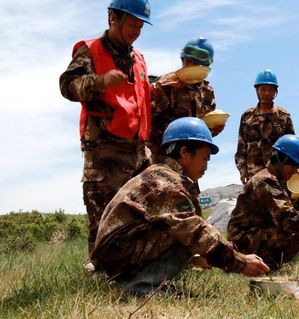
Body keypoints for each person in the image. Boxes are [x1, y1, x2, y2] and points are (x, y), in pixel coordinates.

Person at [92, 117, 269, 296]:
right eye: (204, 158)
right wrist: (241, 262)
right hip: (120, 255)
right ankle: (144, 287)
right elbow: (194, 231)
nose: (207, 166)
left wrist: (201, 256)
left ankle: (142, 282)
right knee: (188, 234)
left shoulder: (160, 174)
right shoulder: (167, 184)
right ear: (185, 152)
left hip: (118, 254)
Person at [59, 0, 153, 259]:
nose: (137, 30)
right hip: (105, 151)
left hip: (138, 150)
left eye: (140, 25)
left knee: (141, 215)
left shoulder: (139, 59)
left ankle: (135, 271)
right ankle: (100, 276)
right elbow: (67, 85)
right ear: (114, 18)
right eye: (133, 23)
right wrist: (99, 82)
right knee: (103, 218)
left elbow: (143, 97)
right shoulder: (91, 50)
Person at [228, 134, 299, 270]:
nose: (295, 171)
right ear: (281, 158)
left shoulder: (276, 181)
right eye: (293, 166)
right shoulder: (264, 181)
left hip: (253, 233)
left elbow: (291, 212)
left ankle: (269, 264)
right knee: (295, 230)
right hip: (242, 240)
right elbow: (286, 217)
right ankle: (258, 264)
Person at [150, 37, 222, 163]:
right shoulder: (166, 84)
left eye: (198, 64)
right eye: (188, 62)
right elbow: (149, 120)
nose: (191, 66)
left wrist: (213, 130)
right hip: (163, 156)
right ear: (182, 60)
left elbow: (202, 130)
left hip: (192, 160)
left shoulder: (207, 92)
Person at [235, 70, 294, 184]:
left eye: (270, 89)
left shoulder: (284, 116)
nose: (267, 93)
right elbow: (241, 147)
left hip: (278, 174)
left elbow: (291, 147)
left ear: (275, 92)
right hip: (254, 174)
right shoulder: (247, 117)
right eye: (263, 89)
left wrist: (293, 167)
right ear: (257, 90)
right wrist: (242, 170)